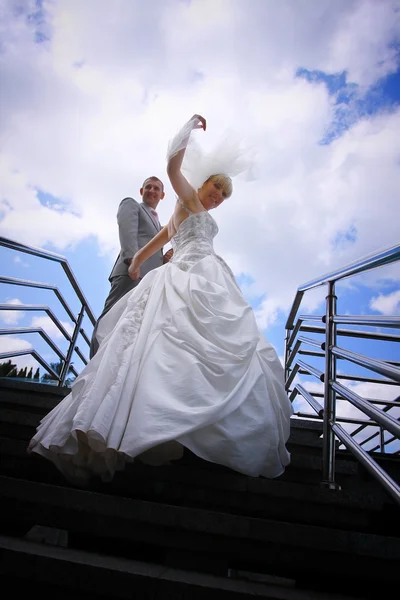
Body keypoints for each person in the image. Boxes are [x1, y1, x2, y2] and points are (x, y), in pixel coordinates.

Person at [28, 115, 293, 485]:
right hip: (186, 274)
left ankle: (187, 417)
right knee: (164, 340)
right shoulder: (187, 196)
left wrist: (139, 258)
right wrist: (186, 130)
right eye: (214, 189)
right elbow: (172, 167)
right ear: (202, 185)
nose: (216, 198)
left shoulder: (183, 213)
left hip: (206, 274)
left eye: (222, 196)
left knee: (201, 343)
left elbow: (163, 239)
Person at [89, 176, 172, 358]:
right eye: (148, 187)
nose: (152, 191)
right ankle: (94, 363)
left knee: (130, 326)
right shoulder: (131, 204)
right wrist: (132, 262)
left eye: (156, 188)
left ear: (162, 195)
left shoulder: (159, 225)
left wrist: (164, 259)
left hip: (149, 281)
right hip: (131, 273)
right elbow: (127, 233)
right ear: (141, 191)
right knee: (110, 320)